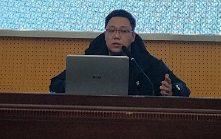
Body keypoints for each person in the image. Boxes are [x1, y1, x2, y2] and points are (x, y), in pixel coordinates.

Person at [49, 9, 190, 97]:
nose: (116, 36)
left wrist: (172, 90)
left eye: (123, 31)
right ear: (105, 35)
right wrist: (78, 86)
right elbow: (55, 84)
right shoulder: (89, 60)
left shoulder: (148, 64)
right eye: (111, 30)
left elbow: (183, 88)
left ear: (133, 36)